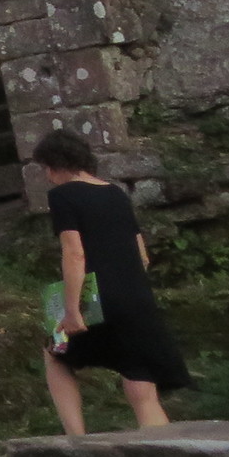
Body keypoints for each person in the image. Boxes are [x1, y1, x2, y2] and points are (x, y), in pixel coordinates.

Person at [35, 129, 189, 434]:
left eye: (45, 168)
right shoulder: (115, 193)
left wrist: (72, 310)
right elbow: (141, 255)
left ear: (55, 164)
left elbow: (75, 253)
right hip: (135, 297)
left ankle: (77, 440)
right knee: (139, 378)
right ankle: (162, 445)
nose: (47, 175)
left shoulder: (62, 196)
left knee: (55, 351)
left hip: (98, 300)